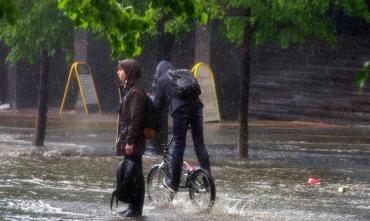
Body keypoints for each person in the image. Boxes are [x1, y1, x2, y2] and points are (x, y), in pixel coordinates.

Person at [153, 60, 212, 192]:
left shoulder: (162, 79)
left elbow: (157, 107)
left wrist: (153, 124)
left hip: (180, 110)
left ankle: (174, 183)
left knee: (179, 144)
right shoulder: (184, 73)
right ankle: (208, 180)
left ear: (158, 71)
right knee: (199, 143)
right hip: (197, 108)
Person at [115, 59, 146, 217]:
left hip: (133, 140)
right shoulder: (129, 91)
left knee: (136, 174)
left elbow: (135, 120)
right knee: (133, 172)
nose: (118, 72)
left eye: (121, 70)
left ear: (129, 72)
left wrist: (130, 141)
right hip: (130, 138)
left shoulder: (135, 93)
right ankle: (133, 206)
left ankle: (136, 209)